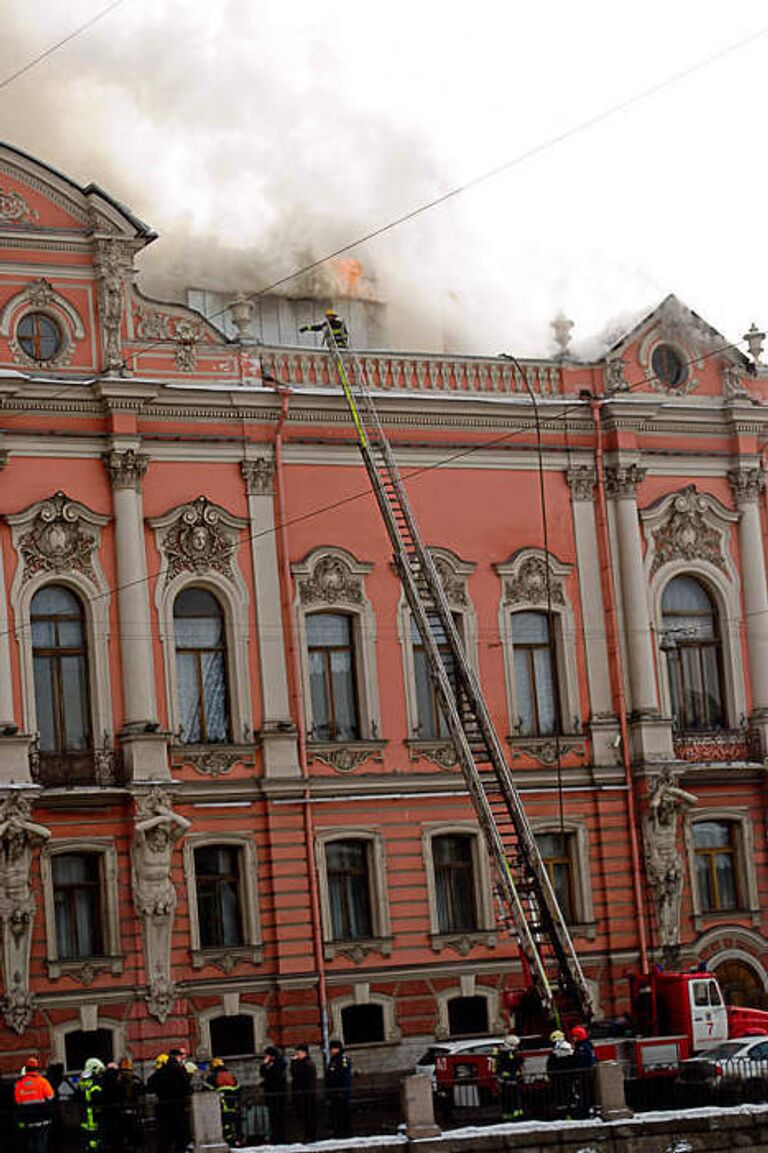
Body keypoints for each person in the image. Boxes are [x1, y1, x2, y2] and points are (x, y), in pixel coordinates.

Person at [147, 1050, 191, 1153]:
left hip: (164, 1106)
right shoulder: (179, 1070)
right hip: (178, 1106)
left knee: (165, 1135)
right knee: (180, 1132)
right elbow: (186, 1086)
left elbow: (150, 1087)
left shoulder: (160, 1073)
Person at [14, 1057, 55, 1153]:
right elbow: (51, 1096)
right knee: (41, 1142)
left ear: (26, 1069)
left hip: (27, 1120)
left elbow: (17, 1101)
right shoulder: (42, 1081)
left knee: (30, 1142)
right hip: (42, 1119)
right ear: (37, 1069)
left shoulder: (19, 1084)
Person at [206, 1057, 240, 1147]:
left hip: (221, 1103)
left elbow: (206, 1089)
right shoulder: (230, 1076)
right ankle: (236, 1140)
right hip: (233, 1103)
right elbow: (238, 1088)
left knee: (224, 1123)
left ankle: (228, 1141)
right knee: (233, 1122)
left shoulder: (212, 1077)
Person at [493, 1034, 525, 1121]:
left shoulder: (507, 1053)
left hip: (512, 1079)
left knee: (512, 1097)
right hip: (508, 1079)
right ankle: (512, 1114)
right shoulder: (505, 1054)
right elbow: (501, 1066)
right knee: (510, 1097)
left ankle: (512, 1113)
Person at [259, 1045, 287, 1144]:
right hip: (272, 1094)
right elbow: (263, 1073)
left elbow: (272, 1076)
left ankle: (280, 1138)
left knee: (278, 1117)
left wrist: (265, 1065)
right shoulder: (272, 1063)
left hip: (277, 1095)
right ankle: (276, 1137)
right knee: (273, 1117)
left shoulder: (279, 1063)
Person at [546, 1032, 577, 1121]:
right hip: (568, 1079)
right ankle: (570, 1115)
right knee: (570, 1097)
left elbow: (550, 1066)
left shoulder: (555, 1054)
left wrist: (551, 1076)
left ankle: (564, 1116)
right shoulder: (569, 1051)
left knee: (562, 1099)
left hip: (558, 1080)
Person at [290, 1043, 317, 1143]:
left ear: (304, 1053)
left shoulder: (307, 1064)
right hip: (303, 1094)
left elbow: (297, 1075)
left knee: (308, 1117)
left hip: (306, 1095)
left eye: (299, 1053)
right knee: (304, 1117)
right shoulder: (303, 1063)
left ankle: (310, 1137)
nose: (297, 1055)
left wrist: (294, 1063)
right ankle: (308, 1136)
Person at [325, 1039, 352, 1139]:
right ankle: (339, 1131)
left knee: (343, 1113)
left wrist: (343, 1090)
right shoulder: (334, 1060)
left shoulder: (343, 1059)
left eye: (332, 1048)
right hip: (334, 1093)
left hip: (341, 1093)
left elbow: (345, 1076)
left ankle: (345, 1132)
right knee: (336, 1113)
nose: (331, 1051)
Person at [77, 1058, 105, 1153]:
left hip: (84, 1113)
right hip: (93, 1114)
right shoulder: (96, 1082)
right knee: (95, 1137)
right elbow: (98, 1096)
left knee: (86, 1137)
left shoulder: (82, 1081)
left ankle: (88, 1148)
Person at [570, 1025, 597, 1118]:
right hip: (586, 1074)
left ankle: (585, 1112)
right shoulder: (587, 1045)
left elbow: (581, 1061)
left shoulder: (582, 1047)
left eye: (574, 1036)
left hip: (584, 1074)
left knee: (585, 1094)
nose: (573, 1038)